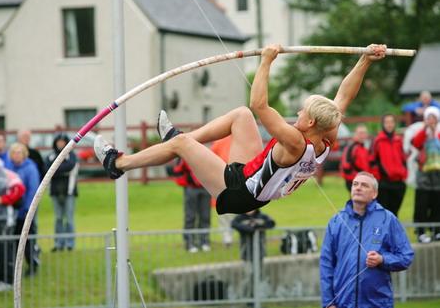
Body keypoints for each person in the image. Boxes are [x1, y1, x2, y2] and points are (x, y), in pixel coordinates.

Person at [94, 44, 387, 214]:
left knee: (186, 145)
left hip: (236, 192)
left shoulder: (295, 142)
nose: (297, 112)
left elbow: (260, 103)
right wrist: (364, 60)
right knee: (240, 116)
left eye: (302, 112)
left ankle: (118, 163)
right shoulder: (327, 135)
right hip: (250, 178)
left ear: (310, 122)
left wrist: (266, 61)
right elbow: (344, 97)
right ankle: (177, 138)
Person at [320, 172, 414, 308]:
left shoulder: (387, 219)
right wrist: (328, 302)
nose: (358, 188)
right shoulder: (336, 221)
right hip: (343, 303)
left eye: (364, 185)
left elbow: (406, 256)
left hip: (378, 303)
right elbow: (326, 264)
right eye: (355, 184)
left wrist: (383, 260)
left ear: (374, 194)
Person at [0, 154, 25, 291]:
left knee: (3, 250)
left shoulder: (7, 174)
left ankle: (8, 280)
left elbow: (19, 189)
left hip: (3, 219)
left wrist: (5, 199)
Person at [6, 143, 41, 277]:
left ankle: (32, 265)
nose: (16, 155)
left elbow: (33, 190)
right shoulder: (8, 167)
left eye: (19, 152)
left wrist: (27, 209)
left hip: (26, 211)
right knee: (13, 241)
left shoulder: (30, 168)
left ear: (24, 153)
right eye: (14, 152)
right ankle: (15, 269)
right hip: (11, 212)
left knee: (27, 241)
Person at [231, 209, 275, 302]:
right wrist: (249, 229)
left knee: (258, 275)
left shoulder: (262, 216)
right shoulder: (240, 218)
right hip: (246, 253)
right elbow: (233, 224)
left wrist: (258, 226)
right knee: (249, 275)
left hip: (260, 252)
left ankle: (254, 297)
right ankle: (248, 297)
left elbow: (271, 223)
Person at [411, 106, 440, 243]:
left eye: (434, 118)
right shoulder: (422, 132)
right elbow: (416, 143)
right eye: (429, 118)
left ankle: (436, 231)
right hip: (423, 174)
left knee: (437, 203)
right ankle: (421, 232)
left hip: (438, 174)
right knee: (422, 203)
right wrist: (425, 130)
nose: (431, 121)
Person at [45, 133, 79, 252]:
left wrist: (56, 170)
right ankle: (59, 243)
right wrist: (60, 169)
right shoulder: (50, 156)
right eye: (58, 141)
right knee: (58, 218)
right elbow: (48, 169)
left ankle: (70, 244)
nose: (60, 144)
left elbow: (70, 166)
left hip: (69, 191)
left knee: (69, 218)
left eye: (63, 141)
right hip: (55, 191)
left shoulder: (72, 156)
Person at [170, 158, 211, 253]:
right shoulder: (185, 155)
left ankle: (204, 241)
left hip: (205, 187)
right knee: (190, 216)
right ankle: (189, 243)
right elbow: (177, 169)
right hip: (191, 188)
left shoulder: (206, 153)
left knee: (205, 216)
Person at [370, 114, 407, 216]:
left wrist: (404, 174)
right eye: (387, 122)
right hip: (384, 182)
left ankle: (392, 231)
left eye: (391, 122)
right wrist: (378, 178)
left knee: (395, 213)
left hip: (399, 182)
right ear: (383, 124)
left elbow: (403, 159)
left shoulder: (398, 140)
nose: (389, 125)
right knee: (383, 213)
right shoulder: (378, 140)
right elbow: (372, 161)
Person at [211, 136, 235, 247]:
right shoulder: (219, 142)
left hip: (241, 178)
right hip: (224, 180)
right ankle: (227, 237)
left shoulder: (243, 138)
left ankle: (246, 234)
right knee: (225, 211)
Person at [340, 124, 372, 191]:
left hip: (363, 179)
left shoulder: (364, 148)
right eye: (360, 133)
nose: (362, 135)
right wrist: (357, 178)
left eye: (364, 133)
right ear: (355, 134)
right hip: (354, 180)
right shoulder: (351, 147)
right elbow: (346, 166)